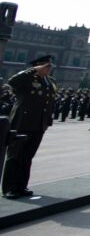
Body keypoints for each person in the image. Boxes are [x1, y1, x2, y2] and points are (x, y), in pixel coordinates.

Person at [2, 55, 57, 199]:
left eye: (50, 67)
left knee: (27, 157)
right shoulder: (27, 79)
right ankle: (9, 188)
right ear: (38, 66)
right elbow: (12, 82)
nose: (49, 69)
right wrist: (32, 71)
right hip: (22, 122)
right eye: (46, 67)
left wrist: (47, 122)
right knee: (15, 156)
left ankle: (21, 186)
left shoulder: (50, 82)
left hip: (38, 125)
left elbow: (49, 103)